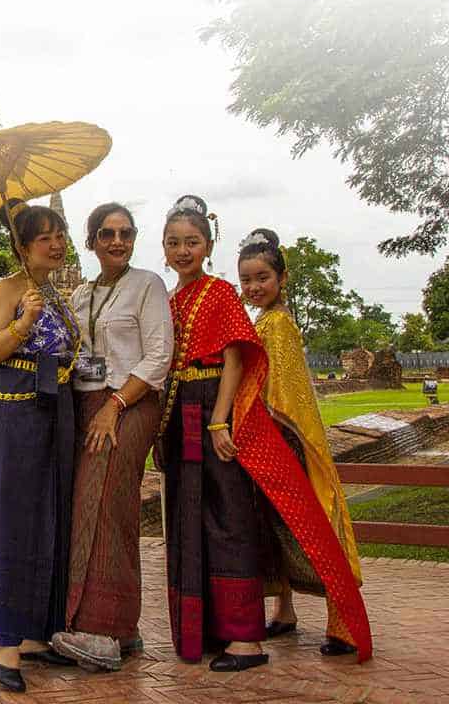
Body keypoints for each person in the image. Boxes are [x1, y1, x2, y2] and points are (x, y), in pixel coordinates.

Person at [156, 196, 371, 672]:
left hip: (217, 415)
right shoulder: (172, 299)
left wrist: (220, 419)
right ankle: (208, 629)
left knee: (228, 520)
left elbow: (235, 359)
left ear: (208, 245)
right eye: (173, 242)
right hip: (182, 416)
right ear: (164, 248)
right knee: (191, 523)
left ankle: (245, 641)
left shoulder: (220, 294)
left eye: (192, 241)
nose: (183, 250)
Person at [49, 203, 171, 671]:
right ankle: (125, 628)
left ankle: (103, 629)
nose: (116, 241)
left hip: (130, 402)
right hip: (86, 403)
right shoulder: (80, 295)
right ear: (92, 241)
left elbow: (159, 355)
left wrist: (114, 408)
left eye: (124, 232)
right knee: (92, 506)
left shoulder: (147, 286)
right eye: (106, 233)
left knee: (105, 506)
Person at [238, 228, 364, 658]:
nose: (254, 287)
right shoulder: (264, 321)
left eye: (262, 278)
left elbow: (284, 395)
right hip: (270, 438)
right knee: (275, 531)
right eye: (247, 280)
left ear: (282, 278)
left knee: (311, 529)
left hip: (286, 440)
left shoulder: (278, 326)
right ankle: (285, 609)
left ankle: (342, 622)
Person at [0, 198, 80, 693]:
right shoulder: (10, 290)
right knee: (14, 517)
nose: (57, 243)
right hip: (14, 406)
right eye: (46, 236)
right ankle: (4, 643)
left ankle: (38, 632)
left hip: (53, 408)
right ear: (22, 245)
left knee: (50, 516)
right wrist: (22, 321)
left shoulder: (53, 293)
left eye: (60, 234)